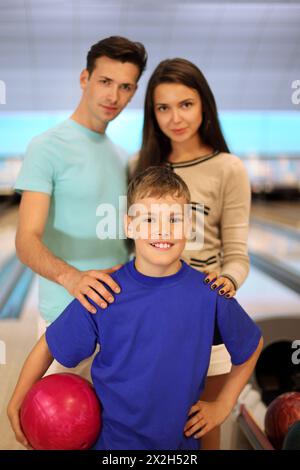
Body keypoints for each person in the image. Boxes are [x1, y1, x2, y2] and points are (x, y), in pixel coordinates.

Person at [8, 166, 263, 451]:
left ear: (191, 225)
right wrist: (18, 398)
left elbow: (251, 344)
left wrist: (223, 405)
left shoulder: (208, 292)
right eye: (150, 218)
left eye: (174, 219)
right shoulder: (106, 291)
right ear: (129, 225)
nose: (163, 229)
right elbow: (50, 344)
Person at [131, 58, 252, 449]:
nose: (175, 117)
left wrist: (227, 282)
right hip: (147, 317)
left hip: (206, 318)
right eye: (163, 107)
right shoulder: (140, 166)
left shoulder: (227, 169)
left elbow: (236, 253)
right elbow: (132, 244)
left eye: (186, 104)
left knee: (201, 428)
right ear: (153, 114)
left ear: (204, 106)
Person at [14, 36, 147, 376]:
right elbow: (26, 240)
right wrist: (72, 278)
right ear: (84, 79)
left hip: (120, 320)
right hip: (67, 318)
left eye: (125, 87)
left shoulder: (122, 158)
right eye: (105, 81)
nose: (113, 96)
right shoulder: (46, 147)